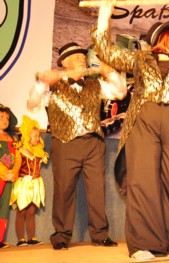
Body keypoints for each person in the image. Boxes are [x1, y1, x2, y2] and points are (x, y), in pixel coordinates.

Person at [91, 0, 169, 260]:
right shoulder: (141, 59)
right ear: (161, 39)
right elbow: (108, 53)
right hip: (144, 122)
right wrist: (103, 17)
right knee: (143, 182)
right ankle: (143, 244)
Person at [27, 42, 126, 251]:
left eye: (83, 56)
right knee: (64, 191)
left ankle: (100, 234)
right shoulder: (53, 87)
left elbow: (121, 92)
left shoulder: (95, 85)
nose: (82, 59)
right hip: (65, 144)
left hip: (93, 143)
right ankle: (61, 236)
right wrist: (42, 83)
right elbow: (32, 103)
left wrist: (109, 72)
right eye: (77, 57)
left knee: (97, 190)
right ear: (64, 62)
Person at [11, 116, 48, 246]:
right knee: (22, 211)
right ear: (28, 137)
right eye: (35, 136)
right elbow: (16, 166)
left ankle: (32, 237)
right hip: (23, 184)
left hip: (35, 184)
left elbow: (37, 167)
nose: (38, 138)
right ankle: (21, 238)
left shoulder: (39, 153)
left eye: (39, 136)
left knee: (31, 211)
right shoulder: (21, 151)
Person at [0, 104, 20, 249]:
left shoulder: (12, 137)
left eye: (7, 118)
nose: (5, 120)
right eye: (1, 117)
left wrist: (14, 172)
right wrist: (4, 172)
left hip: (9, 177)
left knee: (3, 208)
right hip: (1, 175)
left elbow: (18, 157)